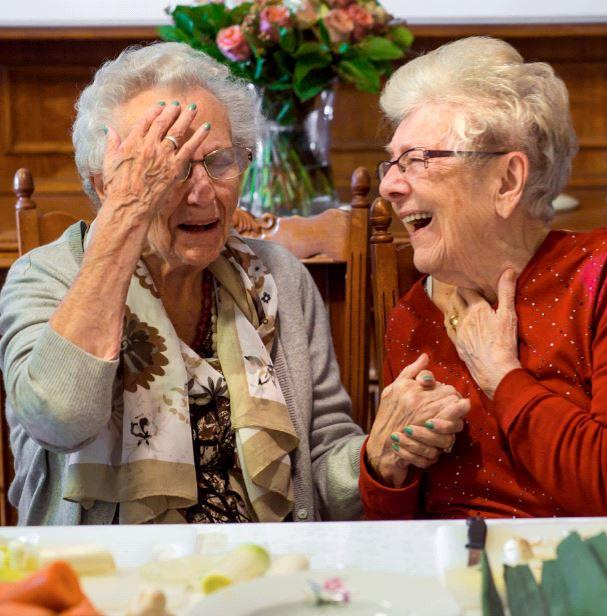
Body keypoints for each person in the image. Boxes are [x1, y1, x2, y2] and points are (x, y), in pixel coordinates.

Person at [0, 42, 371, 525]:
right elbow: (59, 419)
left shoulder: (279, 279)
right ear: (106, 183)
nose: (200, 192)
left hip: (270, 572)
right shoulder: (46, 277)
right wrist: (127, 214)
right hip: (110, 581)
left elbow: (322, 463)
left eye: (218, 161)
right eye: (169, 167)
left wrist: (375, 460)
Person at [360, 36, 605, 519]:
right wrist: (385, 464)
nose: (389, 185)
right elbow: (390, 531)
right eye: (392, 162)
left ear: (507, 181)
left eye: (419, 159)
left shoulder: (596, 278)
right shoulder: (415, 312)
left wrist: (501, 376)